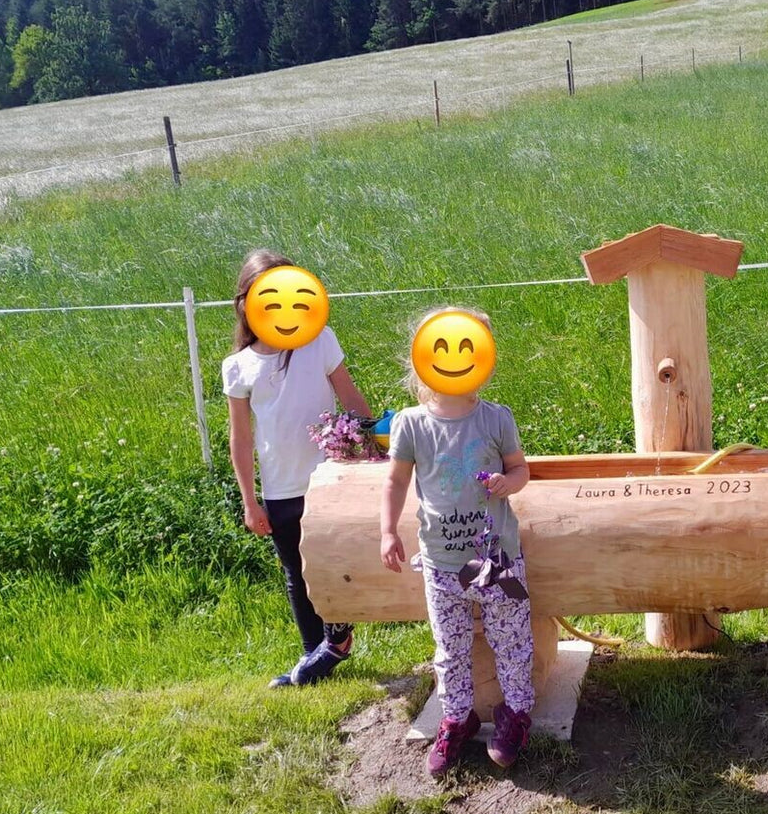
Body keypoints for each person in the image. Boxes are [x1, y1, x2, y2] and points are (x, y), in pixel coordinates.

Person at [380, 307, 535, 777]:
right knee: (450, 646)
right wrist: (387, 530)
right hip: (441, 562)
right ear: (423, 358)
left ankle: (515, 714)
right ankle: (457, 717)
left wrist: (510, 483)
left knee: (512, 639)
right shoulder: (410, 424)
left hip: (494, 558)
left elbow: (520, 469)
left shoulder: (495, 419)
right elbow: (395, 483)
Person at [222, 248, 373, 688]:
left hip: (331, 479)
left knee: (336, 560)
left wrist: (372, 447)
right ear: (247, 304)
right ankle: (316, 652)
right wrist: (250, 502)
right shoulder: (238, 366)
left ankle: (336, 639)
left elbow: (350, 397)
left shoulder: (320, 340)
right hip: (280, 488)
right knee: (298, 571)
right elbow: (242, 438)